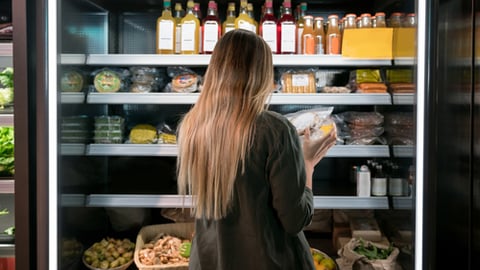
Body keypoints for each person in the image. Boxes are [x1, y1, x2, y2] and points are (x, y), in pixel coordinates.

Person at [176, 29, 337, 270]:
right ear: (261, 74)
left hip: (211, 259)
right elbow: (295, 220)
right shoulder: (275, 130)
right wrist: (308, 164)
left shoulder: (191, 126)